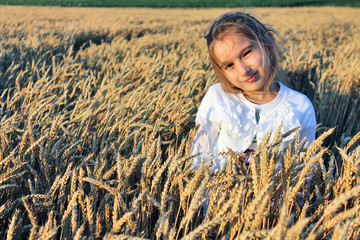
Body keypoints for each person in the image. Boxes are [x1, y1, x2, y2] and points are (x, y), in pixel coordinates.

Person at [191, 11, 316, 173]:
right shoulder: (217, 97)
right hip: (219, 195)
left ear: (268, 43)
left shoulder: (300, 105)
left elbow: (306, 168)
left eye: (246, 53)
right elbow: (198, 158)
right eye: (229, 65)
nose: (243, 70)